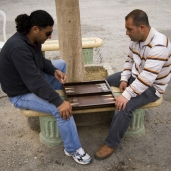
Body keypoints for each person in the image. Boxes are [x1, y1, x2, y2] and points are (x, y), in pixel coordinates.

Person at [0, 10, 91, 165]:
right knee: (60, 109)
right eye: (48, 33)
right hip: (21, 93)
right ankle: (72, 149)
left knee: (60, 65)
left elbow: (41, 63)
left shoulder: (33, 41)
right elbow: (35, 81)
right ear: (35, 29)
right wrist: (59, 102)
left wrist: (53, 71)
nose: (49, 37)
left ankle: (57, 107)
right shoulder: (18, 48)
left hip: (30, 83)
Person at [94, 9, 171, 160]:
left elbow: (147, 78)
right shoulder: (136, 39)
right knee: (106, 82)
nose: (126, 33)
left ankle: (111, 143)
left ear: (142, 27)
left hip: (152, 87)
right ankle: (110, 117)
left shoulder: (159, 46)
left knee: (124, 106)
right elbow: (129, 60)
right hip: (136, 78)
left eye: (129, 29)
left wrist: (126, 94)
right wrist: (124, 79)